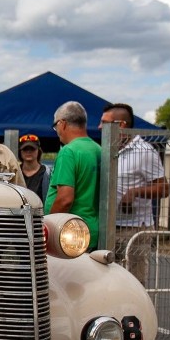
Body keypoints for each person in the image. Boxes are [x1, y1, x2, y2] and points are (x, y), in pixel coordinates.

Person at [101, 102, 169, 285]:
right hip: (111, 228)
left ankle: (135, 314)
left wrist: (135, 192)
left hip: (135, 230)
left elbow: (163, 188)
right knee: (109, 282)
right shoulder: (110, 150)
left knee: (133, 282)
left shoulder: (144, 151)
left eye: (104, 122)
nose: (100, 127)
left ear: (120, 125)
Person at [44, 101, 101, 249]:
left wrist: (48, 228)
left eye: (55, 126)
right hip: (92, 229)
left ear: (62, 124)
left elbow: (65, 199)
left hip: (70, 233)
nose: (57, 131)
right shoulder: (98, 149)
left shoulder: (68, 151)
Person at [18, 134, 49, 201]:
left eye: (32, 149)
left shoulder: (47, 173)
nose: (28, 152)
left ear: (38, 151)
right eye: (25, 149)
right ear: (20, 152)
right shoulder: (15, 172)